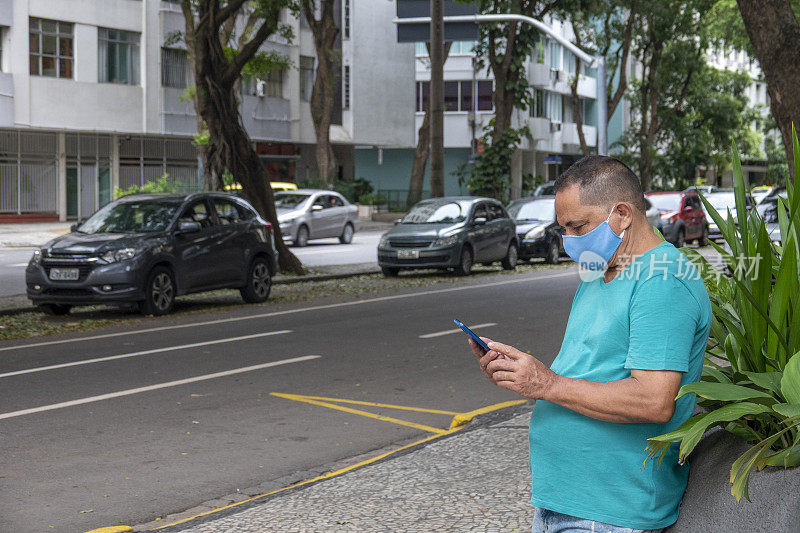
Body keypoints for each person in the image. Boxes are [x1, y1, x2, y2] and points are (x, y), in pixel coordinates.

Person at [469, 156, 711, 533]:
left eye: (578, 226)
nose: (569, 240)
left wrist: (546, 384)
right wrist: (522, 374)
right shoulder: (599, 272)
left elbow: (654, 400)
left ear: (622, 214)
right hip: (565, 502)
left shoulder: (662, 281)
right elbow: (586, 374)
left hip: (610, 512)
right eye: (564, 229)